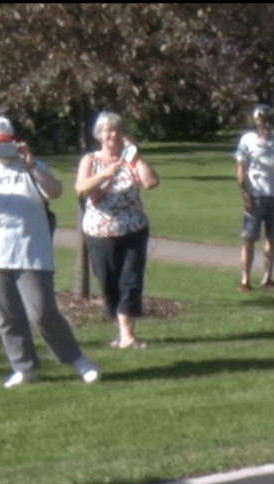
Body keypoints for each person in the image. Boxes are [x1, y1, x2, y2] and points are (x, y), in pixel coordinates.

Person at [0, 115, 100, 388]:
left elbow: (55, 191)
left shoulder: (33, 167)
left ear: (15, 140)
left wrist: (30, 164)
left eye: (5, 141)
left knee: (42, 311)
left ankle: (77, 359)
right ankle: (24, 367)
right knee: (7, 315)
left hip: (32, 250)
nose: (0, 147)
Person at [75, 111, 160, 349]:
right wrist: (103, 174)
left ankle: (127, 335)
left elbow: (150, 183)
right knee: (107, 281)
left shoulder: (131, 159)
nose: (113, 134)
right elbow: (80, 188)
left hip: (133, 229)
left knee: (131, 281)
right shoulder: (90, 161)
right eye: (107, 130)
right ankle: (121, 331)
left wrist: (137, 157)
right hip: (99, 232)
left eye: (117, 130)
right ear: (100, 135)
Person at [234, 104, 274, 291]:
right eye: (261, 121)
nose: (265, 124)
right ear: (255, 122)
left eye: (268, 120)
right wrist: (245, 193)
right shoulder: (247, 140)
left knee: (272, 238)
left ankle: (267, 278)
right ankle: (245, 280)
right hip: (255, 195)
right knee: (249, 239)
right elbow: (240, 168)